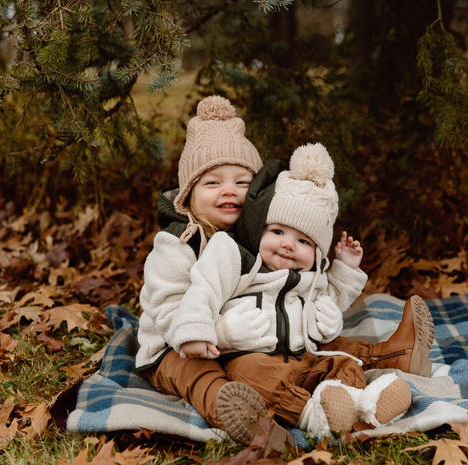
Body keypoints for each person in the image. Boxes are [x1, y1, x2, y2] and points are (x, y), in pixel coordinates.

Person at [136, 95, 434, 448]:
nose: (229, 190)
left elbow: (300, 296)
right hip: (176, 348)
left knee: (310, 342)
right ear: (188, 195)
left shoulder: (260, 236)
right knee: (202, 373)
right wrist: (222, 333)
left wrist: (331, 290)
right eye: (212, 183)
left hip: (252, 342)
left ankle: (386, 361)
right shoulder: (176, 243)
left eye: (242, 182)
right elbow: (170, 311)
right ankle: (249, 420)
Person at [177, 143, 415, 440]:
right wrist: (195, 329)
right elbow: (204, 290)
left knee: (342, 362)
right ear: (259, 231)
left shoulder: (311, 279)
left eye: (303, 241)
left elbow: (332, 302)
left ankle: (360, 404)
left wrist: (345, 271)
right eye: (277, 232)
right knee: (254, 376)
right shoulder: (241, 262)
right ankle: (312, 414)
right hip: (253, 356)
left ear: (317, 253)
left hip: (304, 357)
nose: (288, 244)